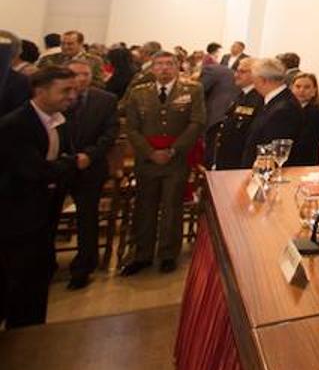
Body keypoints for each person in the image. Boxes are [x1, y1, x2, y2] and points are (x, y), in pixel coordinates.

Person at [0, 64, 78, 327]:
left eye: (74, 90)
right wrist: (69, 164)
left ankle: (29, 337)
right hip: (16, 220)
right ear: (40, 91)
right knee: (15, 282)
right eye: (65, 90)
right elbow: (35, 170)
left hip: (43, 217)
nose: (72, 96)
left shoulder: (59, 120)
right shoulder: (16, 124)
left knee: (35, 282)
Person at [120, 51, 204, 276]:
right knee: (144, 207)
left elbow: (197, 122)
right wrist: (149, 152)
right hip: (147, 160)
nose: (164, 68)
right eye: (159, 64)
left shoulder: (193, 90)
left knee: (171, 208)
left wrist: (173, 150)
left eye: (169, 64)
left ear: (178, 67)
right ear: (152, 68)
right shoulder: (139, 93)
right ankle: (141, 254)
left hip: (176, 159)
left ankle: (168, 254)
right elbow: (131, 127)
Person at [55, 58, 118, 290]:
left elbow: (110, 132)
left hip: (90, 166)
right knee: (49, 216)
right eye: (76, 74)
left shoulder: (105, 100)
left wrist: (89, 155)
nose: (81, 79)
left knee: (87, 218)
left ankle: (83, 267)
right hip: (58, 166)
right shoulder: (57, 98)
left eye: (86, 74)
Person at [240, 57, 303, 169]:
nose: (254, 84)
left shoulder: (284, 109)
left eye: (255, 80)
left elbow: (272, 152)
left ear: (263, 80)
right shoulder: (273, 101)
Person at [211, 58, 263, 170]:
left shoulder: (258, 98)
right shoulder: (241, 95)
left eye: (242, 72)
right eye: (237, 71)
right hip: (228, 158)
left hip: (238, 161)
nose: (237, 75)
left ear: (256, 75)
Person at [37, 30, 106, 87]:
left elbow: (99, 84)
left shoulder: (94, 61)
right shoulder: (48, 59)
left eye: (70, 44)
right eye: (62, 43)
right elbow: (38, 78)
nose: (65, 47)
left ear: (81, 44)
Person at [198, 52, 239, 143]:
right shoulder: (227, 71)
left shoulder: (209, 69)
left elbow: (200, 90)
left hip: (215, 114)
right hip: (227, 111)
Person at [289, 72, 319, 167]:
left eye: (307, 87)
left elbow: (306, 143)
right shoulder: (287, 109)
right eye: (298, 86)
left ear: (314, 91)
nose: (301, 90)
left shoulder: (317, 113)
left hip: (304, 163)